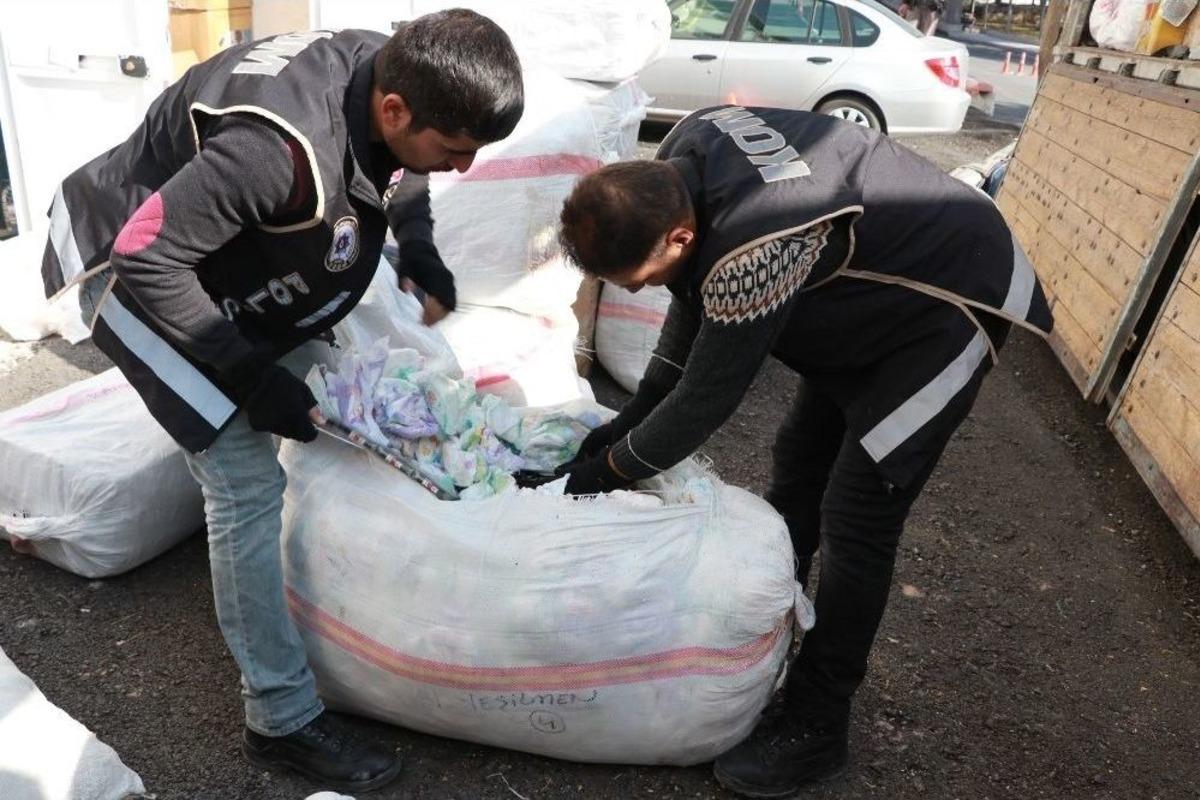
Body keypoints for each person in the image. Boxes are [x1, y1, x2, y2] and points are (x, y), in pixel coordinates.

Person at [40, 12, 522, 793]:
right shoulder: (275, 150)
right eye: (455, 148)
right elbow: (147, 256)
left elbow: (410, 171)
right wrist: (248, 378)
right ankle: (282, 718)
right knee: (245, 480)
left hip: (217, 256)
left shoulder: (392, 67)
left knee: (333, 397)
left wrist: (419, 245)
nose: (464, 166)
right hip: (134, 270)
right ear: (396, 112)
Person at [556, 105, 1051, 797]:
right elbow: (683, 339)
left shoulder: (759, 243)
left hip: (949, 305)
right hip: (863, 293)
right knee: (797, 466)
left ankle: (819, 722)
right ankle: (761, 645)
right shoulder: (682, 151)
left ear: (680, 233)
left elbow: (705, 397)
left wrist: (609, 470)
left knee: (857, 516)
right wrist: (614, 432)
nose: (636, 290)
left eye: (639, 275)